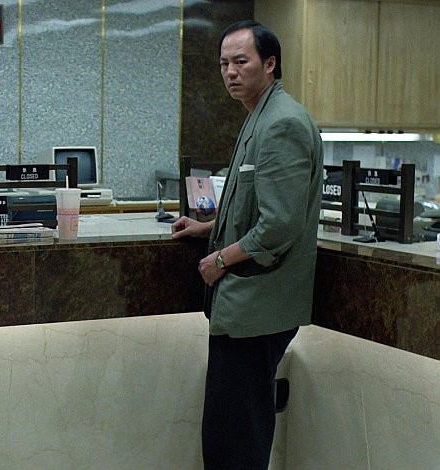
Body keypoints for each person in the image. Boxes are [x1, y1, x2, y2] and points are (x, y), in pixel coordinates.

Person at [171, 20, 323, 469]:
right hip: (245, 309)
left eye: (241, 61)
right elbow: (255, 205)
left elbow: (279, 224)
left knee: (237, 440)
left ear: (270, 63)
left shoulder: (282, 124)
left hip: (259, 308)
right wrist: (209, 228)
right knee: (227, 433)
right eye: (223, 63)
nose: (230, 72)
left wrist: (220, 258)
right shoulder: (259, 115)